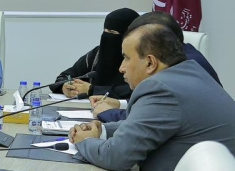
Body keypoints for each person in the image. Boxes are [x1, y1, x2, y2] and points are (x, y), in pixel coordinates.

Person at [69, 24, 235, 171]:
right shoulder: (192, 73)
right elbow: (143, 125)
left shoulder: (161, 89)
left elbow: (116, 156)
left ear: (150, 63)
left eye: (126, 58)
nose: (121, 68)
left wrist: (85, 141)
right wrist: (104, 130)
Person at [91, 11, 222, 122]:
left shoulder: (182, 66)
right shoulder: (182, 56)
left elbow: (147, 118)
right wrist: (120, 103)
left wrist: (106, 112)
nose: (121, 68)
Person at [49, 7, 140, 100]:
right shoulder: (98, 53)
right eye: (105, 31)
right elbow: (65, 76)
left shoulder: (139, 57)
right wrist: (65, 86)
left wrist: (93, 90)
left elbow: (135, 90)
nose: (106, 36)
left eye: (112, 32)